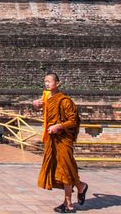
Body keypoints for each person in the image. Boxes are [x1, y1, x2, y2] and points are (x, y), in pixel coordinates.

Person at [31, 72, 88, 212]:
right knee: (61, 169)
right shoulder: (47, 97)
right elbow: (45, 109)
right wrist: (35, 104)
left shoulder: (65, 101)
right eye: (45, 81)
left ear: (57, 83)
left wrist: (59, 126)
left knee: (66, 169)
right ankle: (80, 186)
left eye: (50, 81)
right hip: (52, 139)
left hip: (63, 139)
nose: (47, 83)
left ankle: (68, 203)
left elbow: (73, 121)